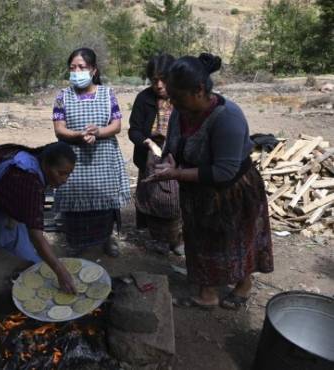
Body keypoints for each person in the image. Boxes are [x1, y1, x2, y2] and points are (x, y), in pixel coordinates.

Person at [151, 53, 273, 310]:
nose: (172, 102)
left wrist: (177, 174)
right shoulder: (180, 111)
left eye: (177, 96)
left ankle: (243, 285)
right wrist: (170, 161)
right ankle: (207, 294)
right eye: (171, 96)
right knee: (200, 242)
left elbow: (223, 171)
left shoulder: (227, 117)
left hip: (232, 192)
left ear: (199, 90)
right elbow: (173, 145)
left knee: (236, 241)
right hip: (197, 193)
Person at [0, 142, 77, 293]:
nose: (64, 180)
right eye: (61, 173)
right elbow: (36, 235)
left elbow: (15, 198)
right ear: (46, 164)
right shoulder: (28, 181)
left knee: (6, 228)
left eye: (68, 174)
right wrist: (60, 271)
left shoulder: (33, 164)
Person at [52, 47, 130, 258]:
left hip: (103, 157)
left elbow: (116, 126)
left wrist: (98, 131)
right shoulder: (63, 97)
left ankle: (106, 238)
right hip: (73, 160)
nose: (76, 71)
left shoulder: (107, 94)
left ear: (94, 70)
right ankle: (76, 242)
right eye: (72, 68)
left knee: (104, 202)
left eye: (82, 67)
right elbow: (59, 129)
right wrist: (78, 135)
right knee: (76, 201)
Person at [128, 53, 183, 256]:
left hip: (177, 156)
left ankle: (177, 238)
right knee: (154, 198)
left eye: (164, 79)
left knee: (176, 200)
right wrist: (148, 142)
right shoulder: (144, 98)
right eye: (154, 80)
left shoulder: (183, 97)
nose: (159, 85)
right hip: (151, 154)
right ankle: (158, 238)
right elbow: (134, 130)